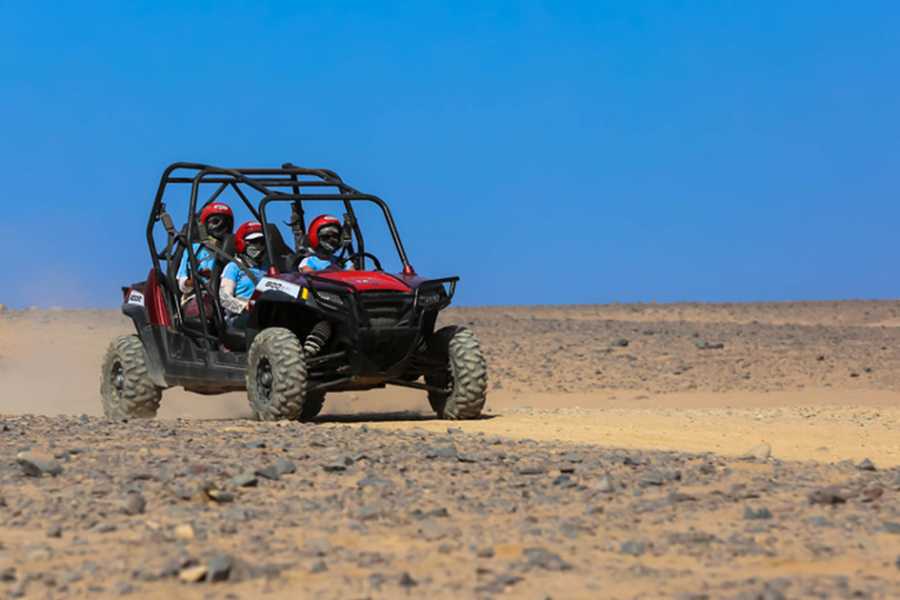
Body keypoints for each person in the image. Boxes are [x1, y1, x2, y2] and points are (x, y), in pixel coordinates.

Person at [177, 202, 234, 296]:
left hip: (226, 298)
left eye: (225, 223)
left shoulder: (234, 250)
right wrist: (196, 278)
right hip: (198, 297)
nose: (221, 227)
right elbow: (182, 285)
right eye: (216, 222)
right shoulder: (193, 250)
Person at [219, 221, 267, 324]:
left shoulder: (268, 269)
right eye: (254, 241)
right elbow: (224, 298)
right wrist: (244, 306)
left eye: (262, 242)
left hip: (265, 314)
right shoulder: (233, 267)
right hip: (239, 317)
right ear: (242, 243)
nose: (258, 246)